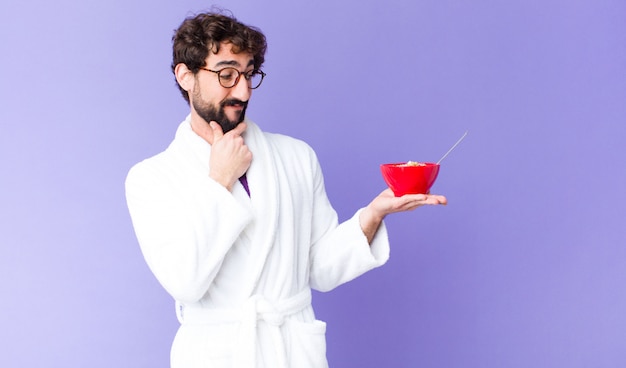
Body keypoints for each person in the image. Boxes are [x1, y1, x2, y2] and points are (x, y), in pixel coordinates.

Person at [125, 10, 447, 368]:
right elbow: (186, 282)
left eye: (249, 75)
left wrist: (373, 215)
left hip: (291, 353)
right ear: (186, 76)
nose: (243, 91)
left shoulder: (295, 156)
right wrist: (220, 181)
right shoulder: (151, 178)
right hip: (216, 355)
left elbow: (320, 269)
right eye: (227, 75)